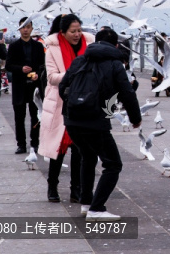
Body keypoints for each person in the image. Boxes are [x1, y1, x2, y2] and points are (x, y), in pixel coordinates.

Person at [59, 29, 141, 219]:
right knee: (113, 164)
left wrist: (75, 107)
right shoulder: (115, 64)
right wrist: (135, 118)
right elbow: (127, 93)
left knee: (87, 157)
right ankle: (96, 208)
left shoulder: (80, 60)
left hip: (72, 120)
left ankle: (86, 203)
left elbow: (63, 87)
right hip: (95, 121)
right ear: (115, 45)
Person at [39, 14, 93, 203]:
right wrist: (75, 73)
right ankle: (52, 186)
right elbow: (52, 77)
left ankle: (76, 189)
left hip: (83, 102)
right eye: (73, 31)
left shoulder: (90, 45)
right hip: (60, 102)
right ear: (62, 32)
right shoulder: (52, 48)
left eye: (79, 30)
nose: (77, 34)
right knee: (58, 148)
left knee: (80, 149)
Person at [7, 18, 45, 154]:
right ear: (19, 29)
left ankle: (35, 142)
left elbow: (43, 65)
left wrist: (37, 74)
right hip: (19, 86)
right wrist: (20, 69)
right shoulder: (14, 46)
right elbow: (8, 66)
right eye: (23, 27)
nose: (25, 29)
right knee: (19, 117)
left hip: (34, 86)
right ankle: (21, 144)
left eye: (28, 27)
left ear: (32, 28)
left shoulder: (38, 46)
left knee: (35, 116)